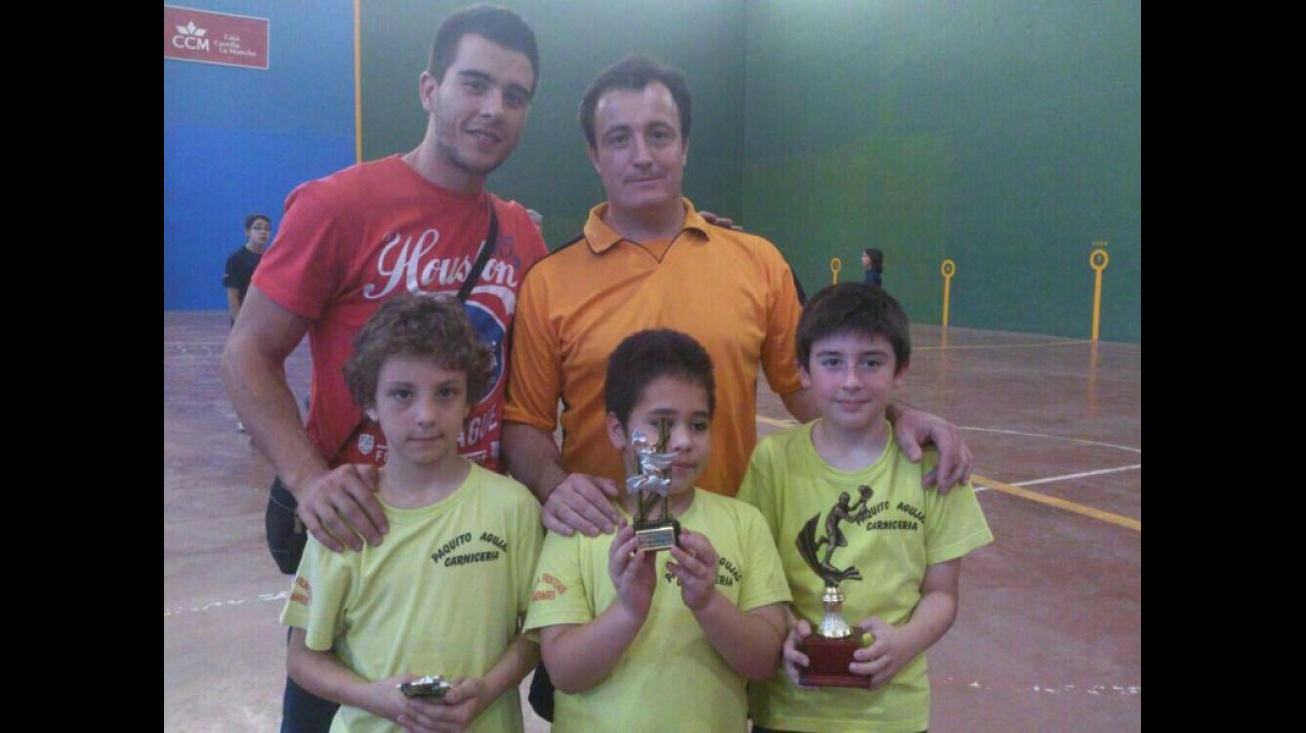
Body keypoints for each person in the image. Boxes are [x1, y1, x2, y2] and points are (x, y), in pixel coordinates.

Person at [220, 6, 547, 730]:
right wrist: (309, 481)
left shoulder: (523, 233)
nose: (493, 109)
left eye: (515, 95)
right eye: (475, 84)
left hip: (466, 542)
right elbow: (247, 353)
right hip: (355, 529)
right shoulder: (339, 205)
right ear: (430, 88)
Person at [503, 54, 972, 541]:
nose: (641, 155)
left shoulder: (759, 261)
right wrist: (554, 485)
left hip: (730, 552)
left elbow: (809, 391)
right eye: (619, 138)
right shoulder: (549, 282)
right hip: (601, 551)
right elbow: (524, 424)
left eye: (659, 134)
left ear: (684, 146)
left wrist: (900, 415)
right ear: (595, 156)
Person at [736, 282, 993, 733]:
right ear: (803, 371)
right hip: (789, 709)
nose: (851, 381)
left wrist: (905, 642)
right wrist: (786, 634)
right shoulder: (773, 461)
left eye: (870, 362)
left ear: (900, 372)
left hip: (892, 714)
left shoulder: (931, 466)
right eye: (832, 362)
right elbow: (758, 582)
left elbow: (942, 595)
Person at [281, 293, 542, 733]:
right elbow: (304, 658)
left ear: (469, 399)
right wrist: (373, 698)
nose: (426, 415)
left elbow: (536, 632)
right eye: (402, 394)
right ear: (369, 401)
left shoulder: (512, 508)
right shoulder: (347, 513)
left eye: (445, 393)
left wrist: (489, 688)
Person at [523, 328, 791, 732]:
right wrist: (628, 610)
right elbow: (564, 673)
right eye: (662, 423)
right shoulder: (581, 525)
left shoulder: (744, 523)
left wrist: (707, 603)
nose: (682, 441)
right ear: (617, 429)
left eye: (698, 425)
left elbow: (766, 661)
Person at [223, 213, 272, 325]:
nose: (263, 232)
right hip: (245, 317)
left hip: (266, 318)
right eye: (257, 228)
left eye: (267, 229)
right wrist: (239, 324)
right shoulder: (236, 258)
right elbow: (232, 294)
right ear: (247, 232)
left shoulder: (271, 258)